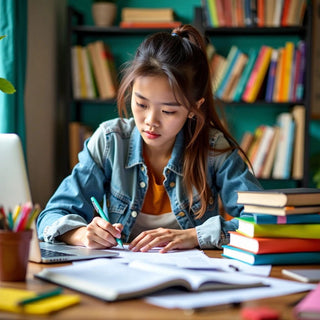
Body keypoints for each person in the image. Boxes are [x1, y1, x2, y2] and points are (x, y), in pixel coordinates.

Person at [37, 24, 262, 253]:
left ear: (194, 108)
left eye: (168, 111)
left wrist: (196, 235)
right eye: (141, 104)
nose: (150, 121)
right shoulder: (109, 142)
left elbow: (263, 220)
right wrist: (81, 234)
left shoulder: (213, 150)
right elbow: (51, 216)